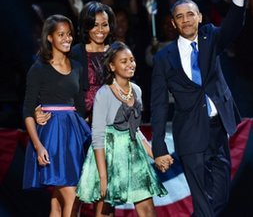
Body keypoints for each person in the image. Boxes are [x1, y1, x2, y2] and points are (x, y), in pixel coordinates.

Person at [150, 0, 245, 216]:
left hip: (218, 129)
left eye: (190, 14)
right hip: (190, 134)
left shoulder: (211, 37)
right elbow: (158, 106)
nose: (186, 20)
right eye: (179, 16)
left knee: (220, 199)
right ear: (173, 23)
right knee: (203, 201)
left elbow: (233, 27)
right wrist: (158, 147)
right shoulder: (163, 58)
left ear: (200, 16)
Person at [77, 42, 167, 217]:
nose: (130, 64)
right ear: (112, 66)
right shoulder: (104, 93)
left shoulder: (137, 90)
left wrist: (155, 155)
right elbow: (97, 136)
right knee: (105, 211)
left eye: (132, 60)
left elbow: (136, 130)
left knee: (147, 209)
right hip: (109, 155)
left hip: (134, 154)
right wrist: (103, 177)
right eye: (124, 61)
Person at [22, 14, 91, 216]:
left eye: (69, 34)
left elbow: (80, 108)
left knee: (58, 202)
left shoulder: (77, 67)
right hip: (51, 137)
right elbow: (27, 109)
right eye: (61, 34)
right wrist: (38, 146)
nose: (67, 38)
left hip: (73, 137)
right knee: (73, 195)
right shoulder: (39, 68)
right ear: (50, 37)